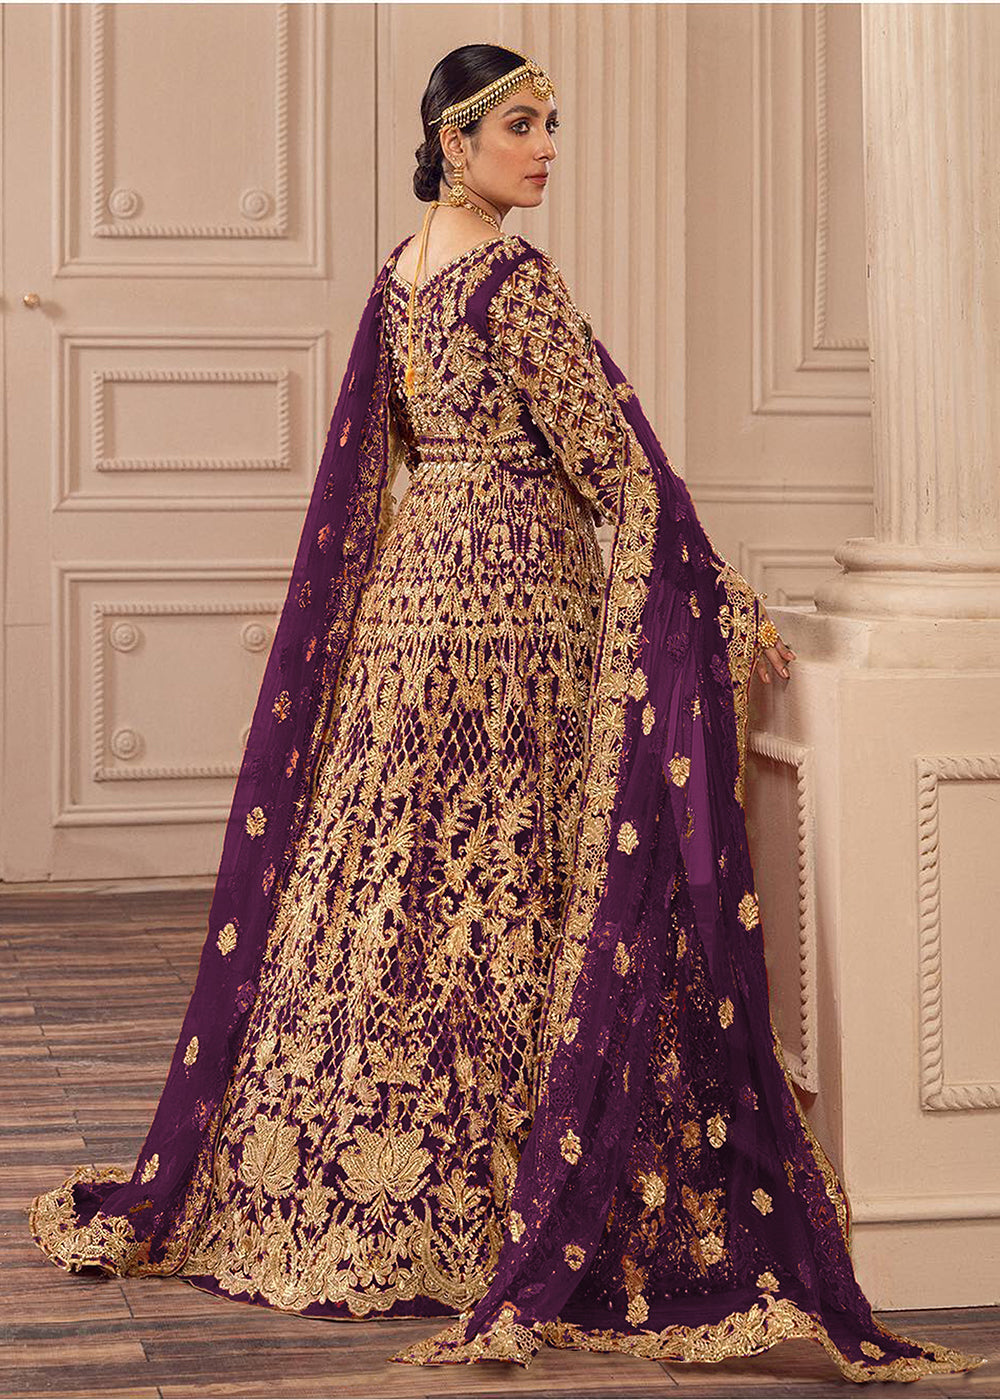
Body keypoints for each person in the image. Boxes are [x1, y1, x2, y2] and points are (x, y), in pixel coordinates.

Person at [29, 43, 981, 1384]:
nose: (546, 149)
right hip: (517, 613)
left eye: (551, 124)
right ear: (455, 140)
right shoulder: (512, 282)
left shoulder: (399, 277)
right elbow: (613, 466)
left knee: (393, 884)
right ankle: (494, 1200)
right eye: (521, 126)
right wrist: (713, 596)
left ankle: (325, 1189)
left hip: (407, 616)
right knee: (515, 883)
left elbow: (381, 471)